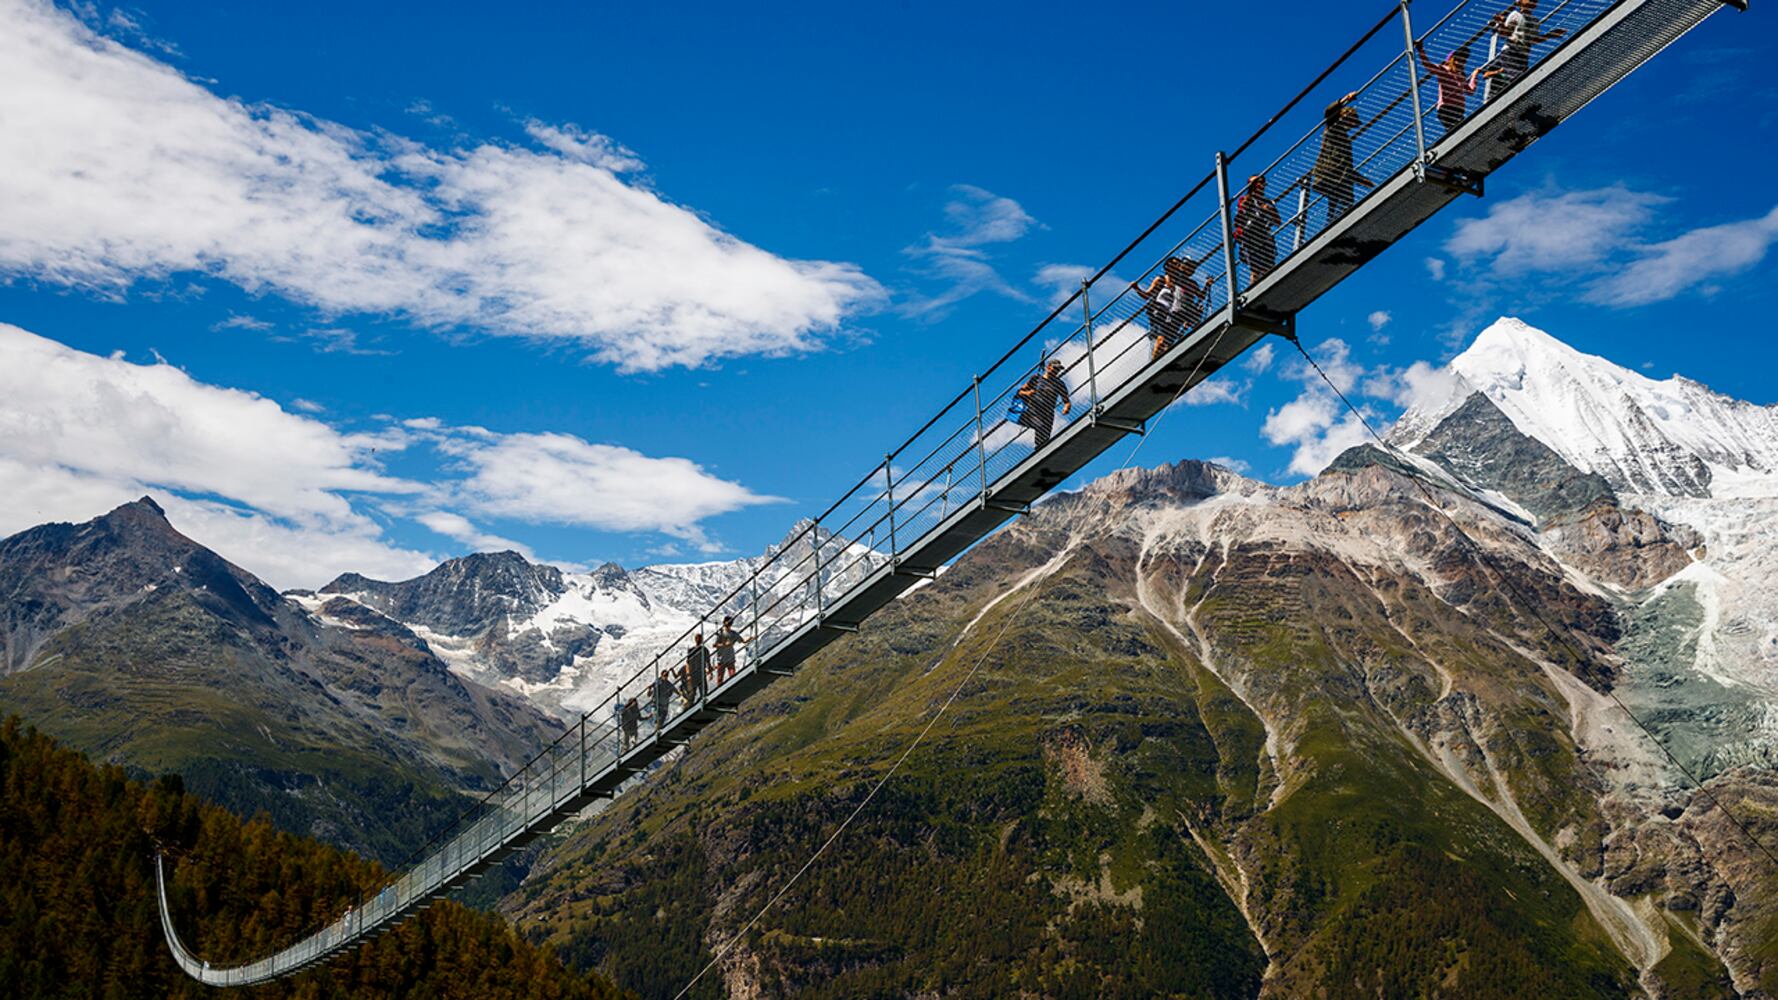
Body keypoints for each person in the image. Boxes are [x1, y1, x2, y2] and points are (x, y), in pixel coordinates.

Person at [1312, 92, 1373, 226]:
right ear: (1345, 117)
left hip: (1338, 175)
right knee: (1345, 202)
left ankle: (1332, 228)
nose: (1353, 125)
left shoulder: (1344, 138)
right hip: (1331, 174)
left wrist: (1361, 180)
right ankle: (1337, 227)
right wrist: (1344, 100)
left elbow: (1345, 165)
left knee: (1336, 205)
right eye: (1353, 121)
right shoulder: (1333, 128)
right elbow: (1329, 112)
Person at [1135, 255, 1207, 360]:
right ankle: (1154, 362)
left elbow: (1199, 295)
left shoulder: (1184, 281)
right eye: (1175, 264)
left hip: (1174, 312)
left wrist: (1207, 285)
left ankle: (1165, 359)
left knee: (1168, 340)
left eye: (1178, 264)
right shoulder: (1164, 279)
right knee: (1161, 340)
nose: (1177, 266)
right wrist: (1136, 288)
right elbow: (1148, 294)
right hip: (1161, 312)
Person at [1487, 0, 1566, 94]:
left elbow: (1534, 39)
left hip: (1524, 53)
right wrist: (1500, 22)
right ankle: (1518, 96)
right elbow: (1506, 33)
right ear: (1520, 2)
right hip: (1511, 50)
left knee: (1521, 75)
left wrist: (1550, 34)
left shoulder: (1535, 21)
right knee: (1519, 77)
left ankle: (1518, 97)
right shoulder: (1514, 14)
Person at [1417, 41, 1480, 136]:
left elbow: (1470, 91)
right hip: (1446, 108)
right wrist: (1421, 50)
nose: (1462, 62)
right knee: (1456, 131)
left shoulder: (1461, 77)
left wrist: (1474, 76)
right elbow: (1428, 66)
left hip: (1459, 109)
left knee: (1461, 131)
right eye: (1460, 59)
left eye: (1464, 60)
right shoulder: (1444, 70)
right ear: (1452, 60)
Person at [1014, 359, 1072, 449]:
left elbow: (1066, 401)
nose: (1056, 371)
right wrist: (1028, 393)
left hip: (1048, 413)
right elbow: (1019, 392)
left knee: (1044, 439)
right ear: (1048, 367)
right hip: (1035, 409)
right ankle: (1039, 448)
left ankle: (1040, 450)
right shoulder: (1036, 379)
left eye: (1058, 370)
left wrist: (1067, 407)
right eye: (1055, 369)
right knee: (1039, 426)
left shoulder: (1059, 383)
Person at [1233, 175, 1281, 284]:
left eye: (1262, 182)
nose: (1260, 184)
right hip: (1250, 236)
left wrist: (1269, 211)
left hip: (1264, 235)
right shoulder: (1246, 200)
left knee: (1269, 266)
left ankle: (1271, 285)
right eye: (1257, 182)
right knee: (1255, 269)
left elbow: (1278, 222)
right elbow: (1238, 220)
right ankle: (1254, 288)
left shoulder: (1268, 202)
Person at [713, 614, 748, 683]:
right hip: (722, 659)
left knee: (732, 677)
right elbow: (715, 645)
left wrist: (750, 638)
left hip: (729, 659)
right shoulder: (721, 633)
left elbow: (743, 641)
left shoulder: (733, 633)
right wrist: (724, 645)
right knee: (720, 679)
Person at [685, 633, 712, 703]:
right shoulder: (691, 650)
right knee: (692, 693)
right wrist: (688, 674)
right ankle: (690, 707)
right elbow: (687, 663)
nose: (698, 640)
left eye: (700, 638)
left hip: (701, 673)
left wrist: (710, 672)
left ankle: (700, 703)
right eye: (697, 638)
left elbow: (708, 662)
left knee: (704, 691)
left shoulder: (705, 650)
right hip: (692, 673)